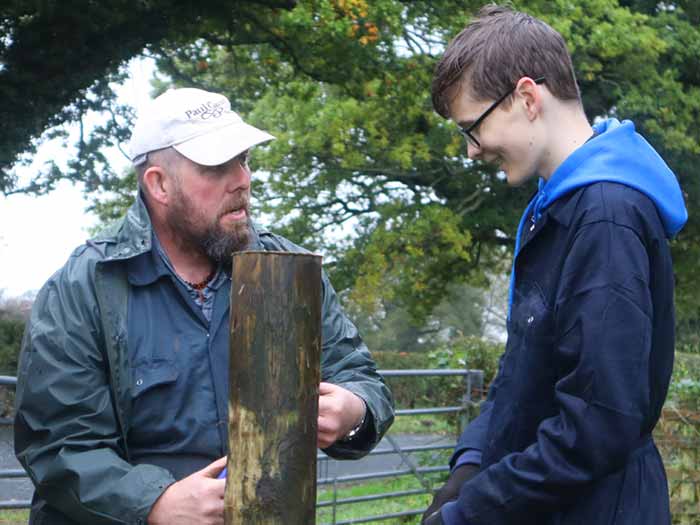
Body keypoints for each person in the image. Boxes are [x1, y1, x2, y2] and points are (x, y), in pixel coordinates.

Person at [14, 87, 394, 525]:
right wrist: (153, 504)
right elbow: (59, 446)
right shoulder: (86, 286)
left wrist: (354, 409)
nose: (242, 179)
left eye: (244, 160)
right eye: (217, 166)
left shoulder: (289, 272)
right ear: (159, 184)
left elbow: (362, 379)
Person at [422, 5, 687, 525]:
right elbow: (523, 367)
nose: (472, 152)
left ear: (525, 97)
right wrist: (471, 462)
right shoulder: (558, 207)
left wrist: (471, 512)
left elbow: (597, 424)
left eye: (473, 128)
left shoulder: (606, 216)